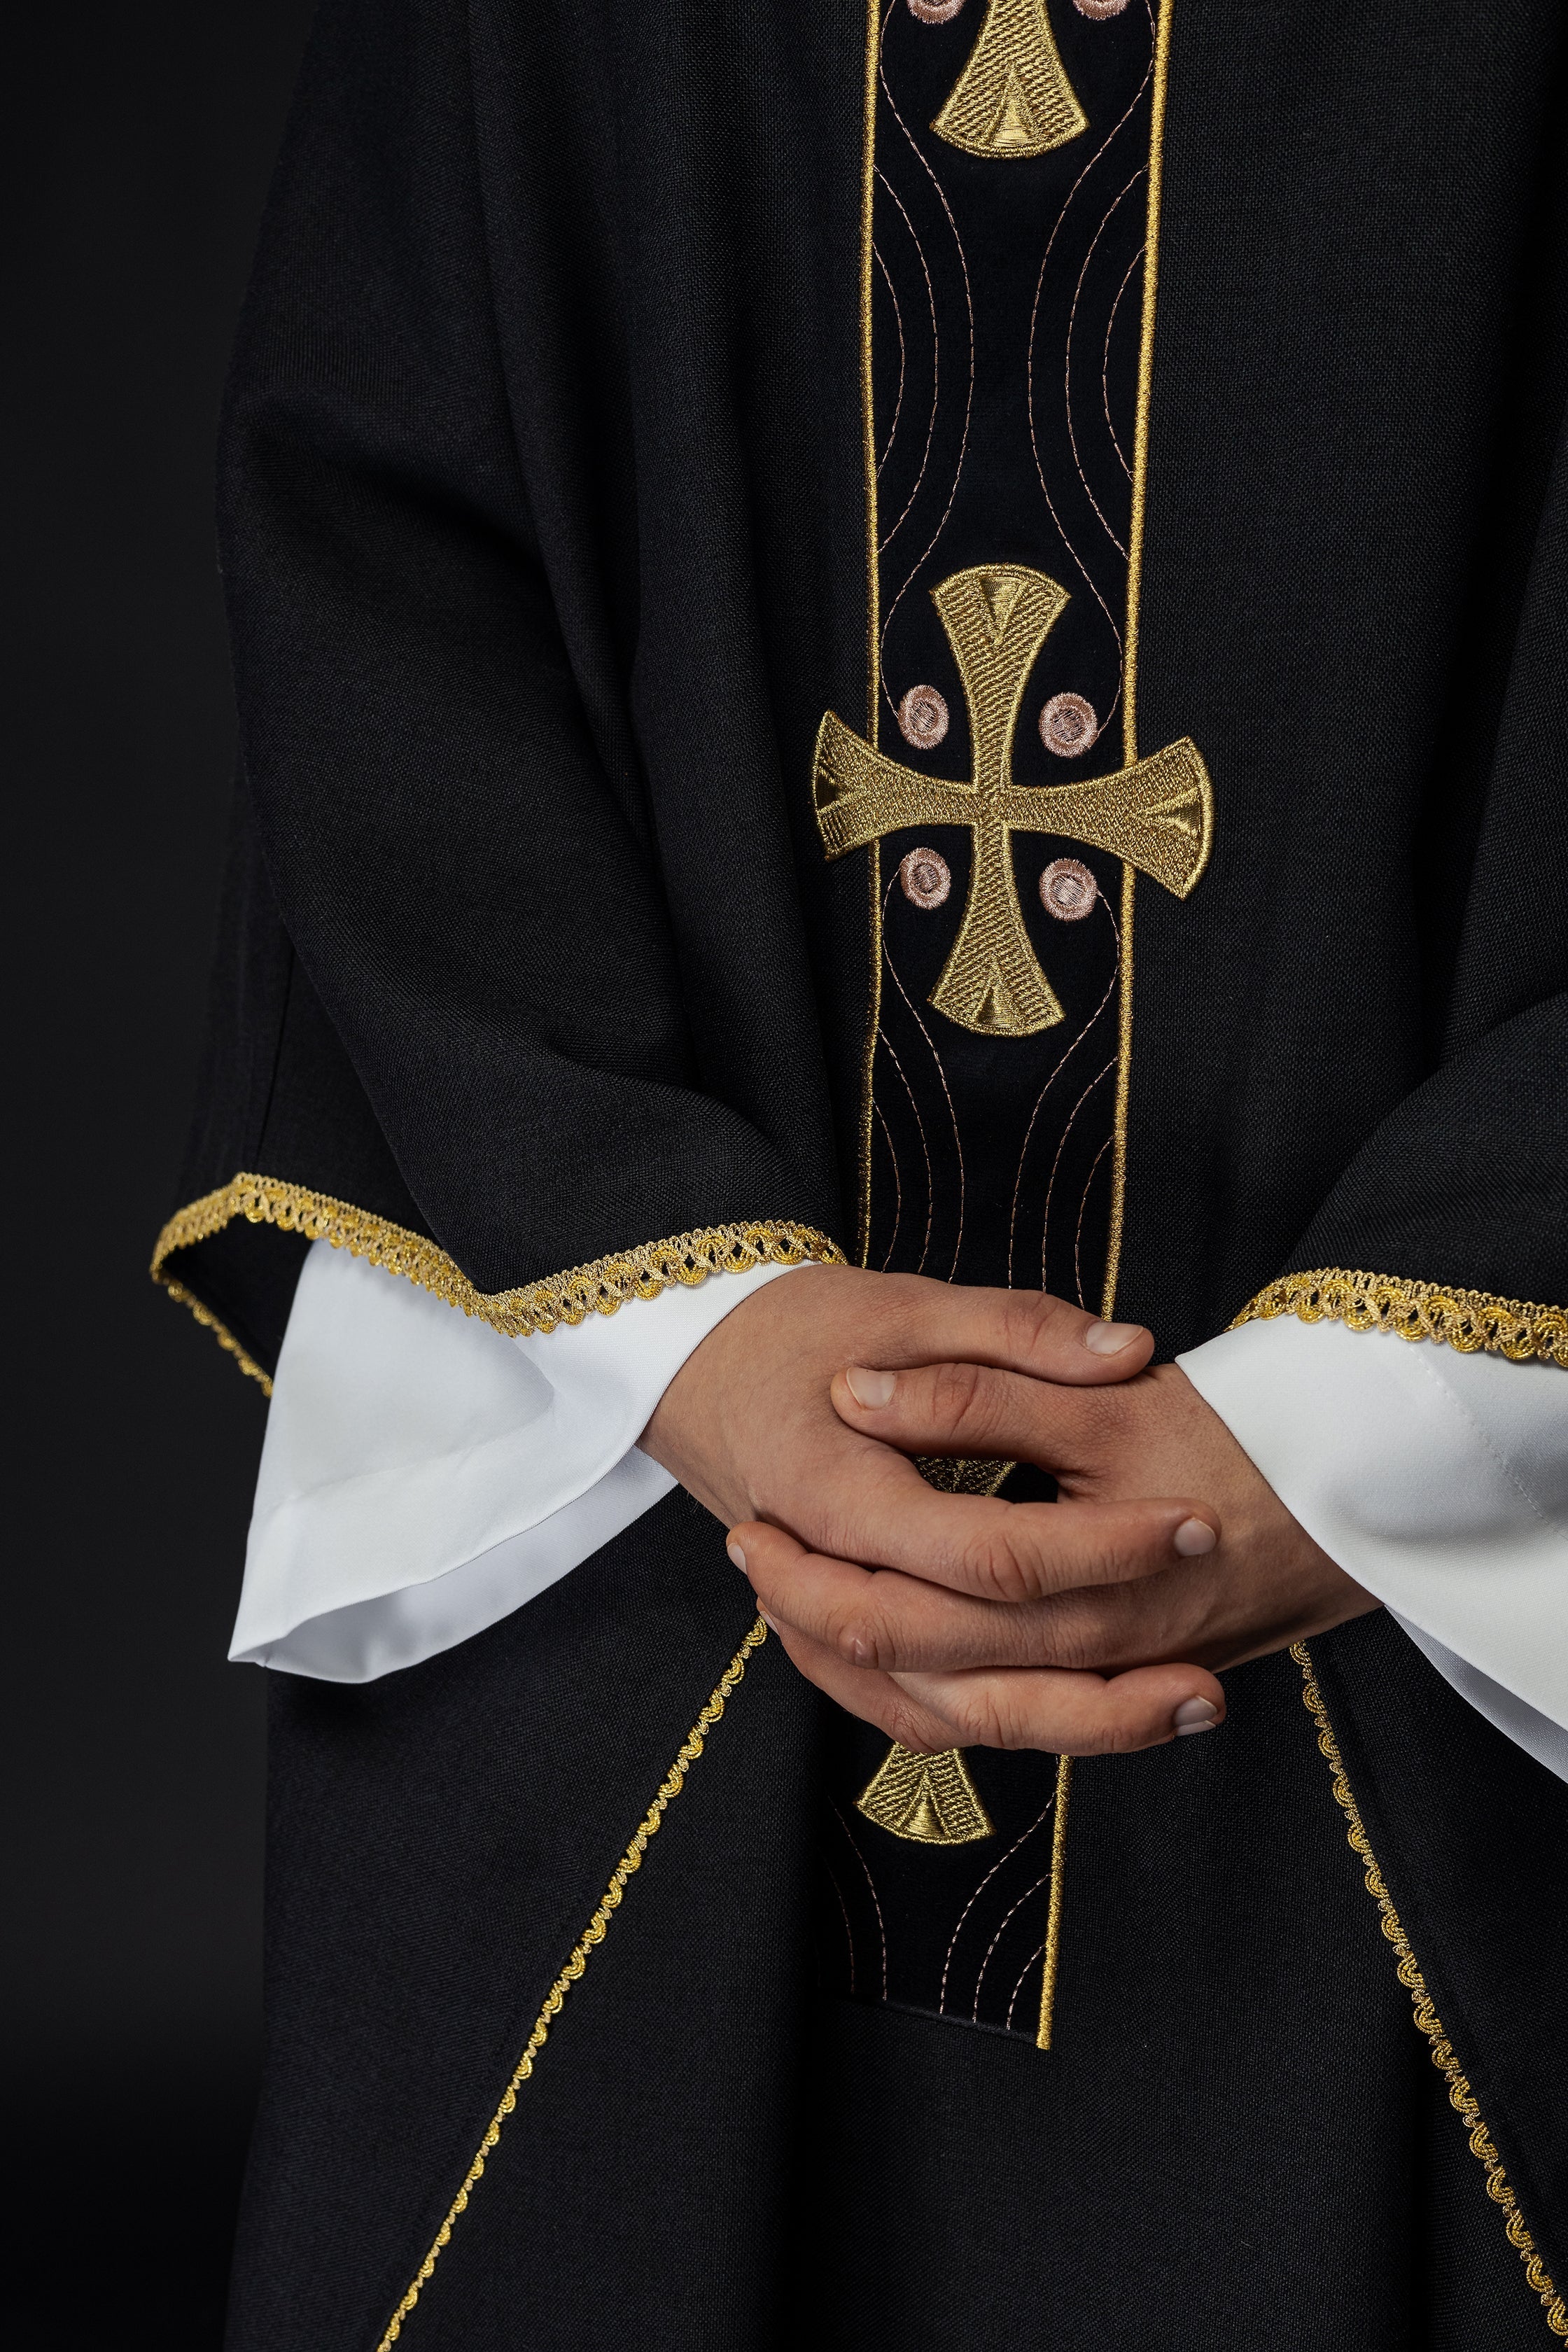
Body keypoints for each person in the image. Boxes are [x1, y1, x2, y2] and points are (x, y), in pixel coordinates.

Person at [153, 0, 1568, 2343]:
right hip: (651, 1527)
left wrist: (1383, 1405)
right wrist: (677, 1300)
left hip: (1433, 1633)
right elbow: (383, 505)